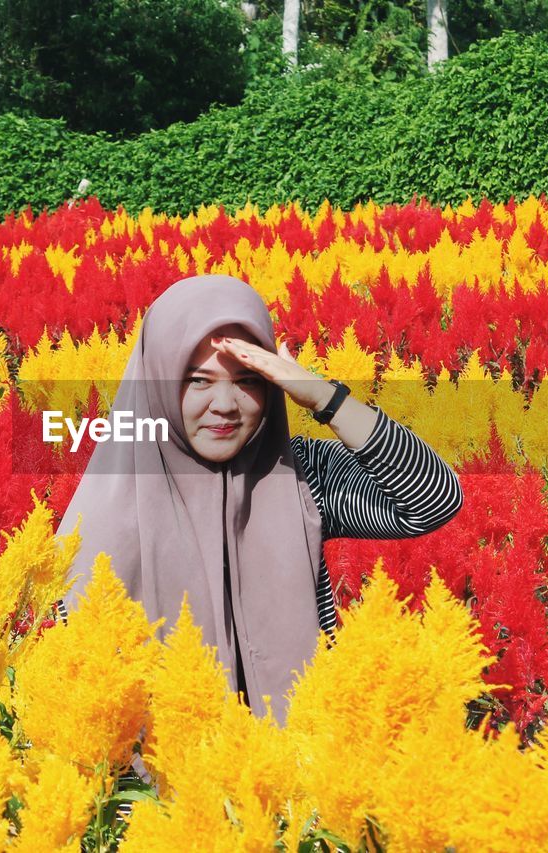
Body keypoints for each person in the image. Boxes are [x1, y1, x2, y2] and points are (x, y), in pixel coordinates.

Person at [57, 274, 464, 726]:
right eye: (197, 381)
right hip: (156, 785)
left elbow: (431, 499)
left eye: (249, 380)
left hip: (300, 771)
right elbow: (74, 694)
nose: (226, 404)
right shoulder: (103, 510)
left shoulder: (298, 474)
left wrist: (325, 398)